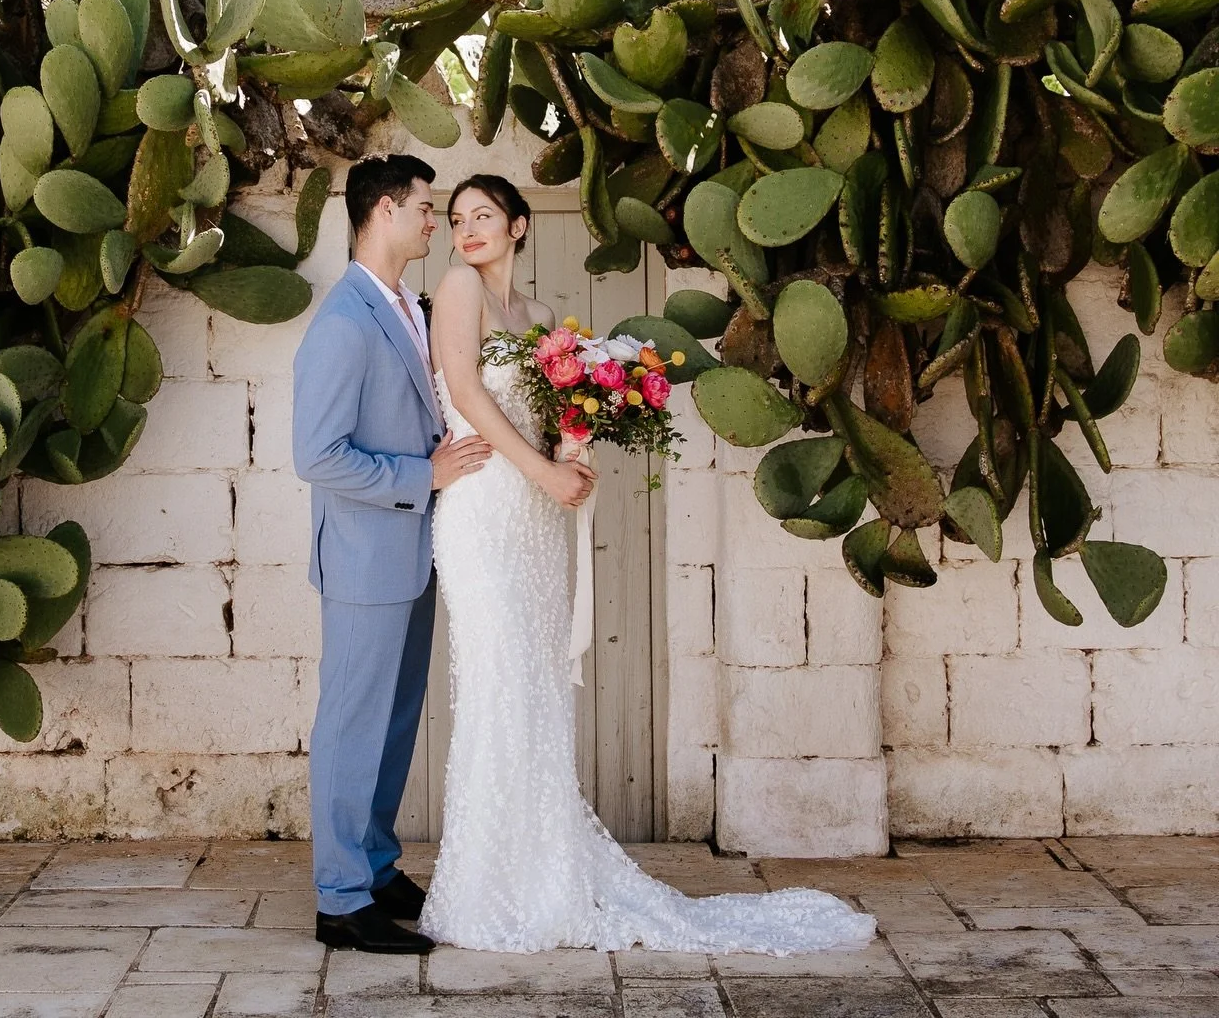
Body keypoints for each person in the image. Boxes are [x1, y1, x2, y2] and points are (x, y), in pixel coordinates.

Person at [419, 171, 878, 956]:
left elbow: (549, 407)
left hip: (534, 517)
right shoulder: (457, 286)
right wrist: (542, 471)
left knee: (533, 688)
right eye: (458, 217)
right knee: (497, 683)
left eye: (484, 215)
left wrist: (574, 443)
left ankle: (541, 872)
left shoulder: (531, 317)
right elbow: (463, 384)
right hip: (483, 510)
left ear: (520, 224)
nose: (467, 230)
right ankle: (487, 885)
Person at [293, 153, 492, 955]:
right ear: (381, 210)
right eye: (423, 206)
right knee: (351, 721)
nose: (434, 219)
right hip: (365, 557)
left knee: (396, 717)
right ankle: (340, 900)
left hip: (414, 550)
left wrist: (434, 447)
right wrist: (425, 472)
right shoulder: (342, 319)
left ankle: (374, 866)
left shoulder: (406, 304)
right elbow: (318, 454)